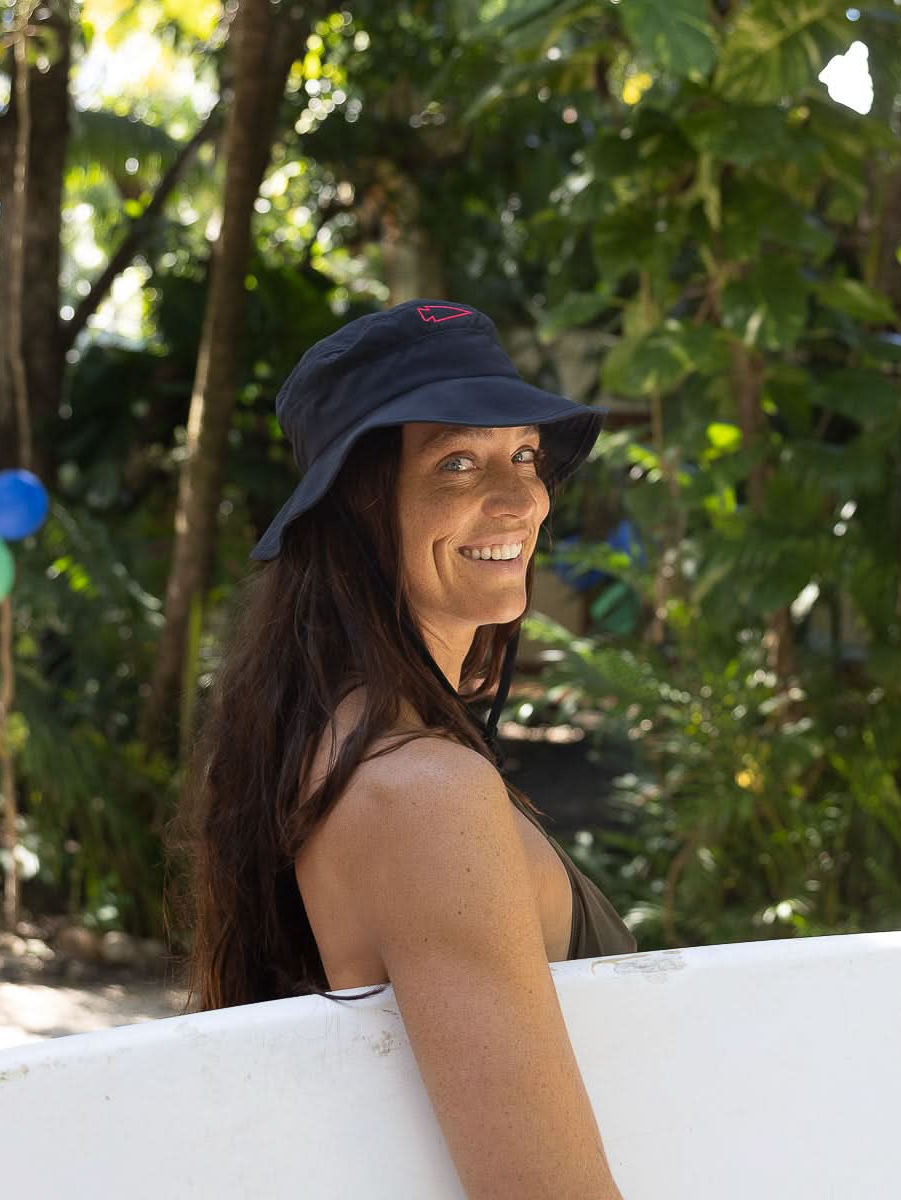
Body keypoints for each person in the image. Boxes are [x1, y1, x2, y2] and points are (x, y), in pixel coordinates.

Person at [168, 299, 634, 1199]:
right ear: (359, 505)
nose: (519, 499)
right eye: (458, 460)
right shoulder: (420, 789)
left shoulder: (360, 746)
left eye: (525, 455)